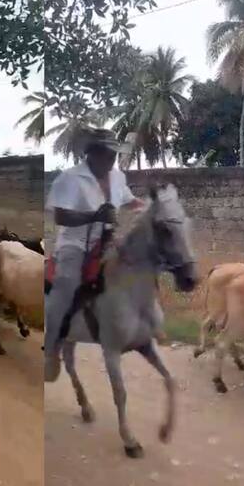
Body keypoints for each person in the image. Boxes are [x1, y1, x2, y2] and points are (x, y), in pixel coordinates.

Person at [44, 128, 145, 383]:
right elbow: (60, 216)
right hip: (74, 244)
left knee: (139, 268)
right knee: (66, 285)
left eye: (114, 155)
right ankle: (54, 342)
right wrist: (95, 215)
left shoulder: (117, 177)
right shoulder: (69, 179)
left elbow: (131, 201)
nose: (111, 160)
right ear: (92, 154)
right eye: (107, 155)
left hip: (107, 240)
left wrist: (152, 206)